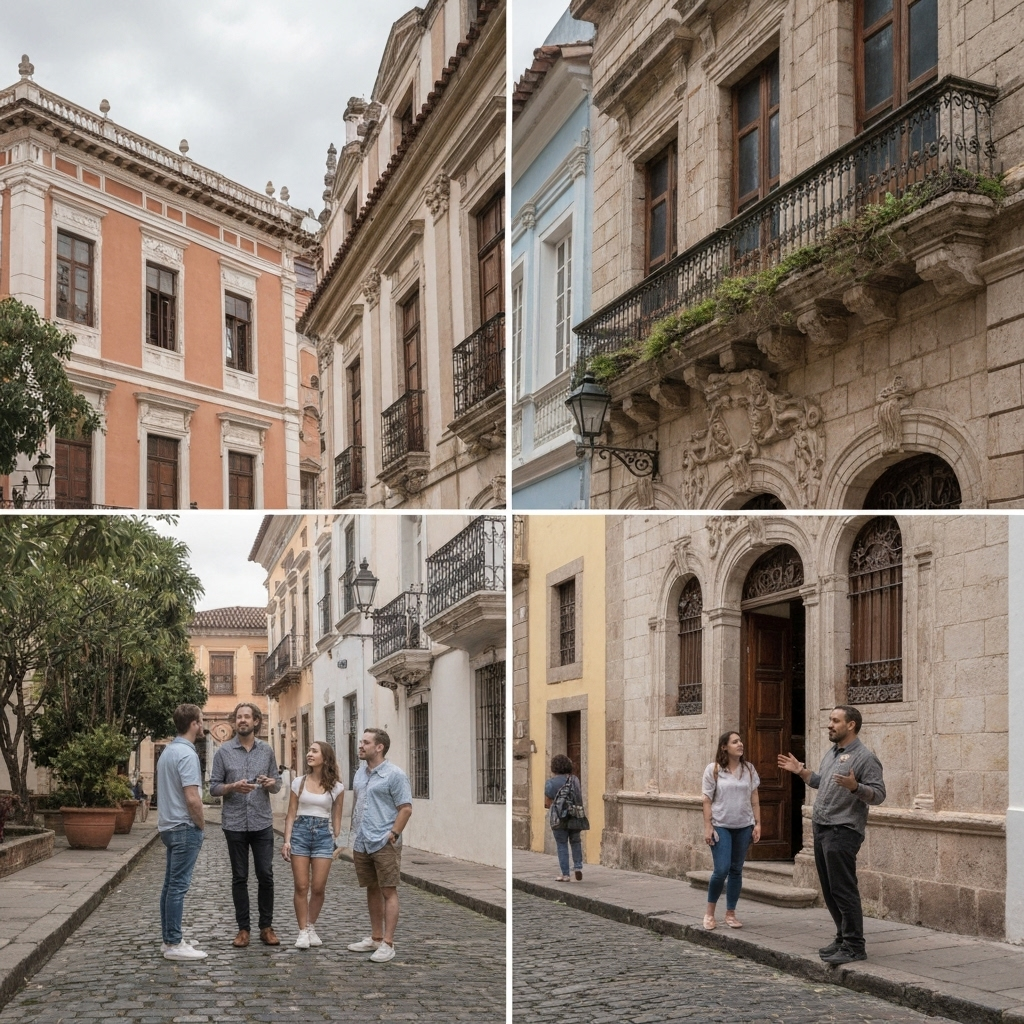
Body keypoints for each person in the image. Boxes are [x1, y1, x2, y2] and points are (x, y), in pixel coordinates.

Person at [779, 705, 886, 965]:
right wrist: (801, 771)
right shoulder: (832, 753)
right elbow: (821, 781)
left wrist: (856, 787)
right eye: (830, 720)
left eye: (835, 720)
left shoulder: (864, 757)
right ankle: (842, 938)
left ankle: (854, 945)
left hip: (843, 830)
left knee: (843, 889)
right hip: (822, 827)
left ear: (851, 725)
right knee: (829, 890)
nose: (829, 724)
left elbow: (879, 794)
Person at [209, 702, 282, 948]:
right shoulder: (223, 752)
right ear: (234, 722)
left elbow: (277, 784)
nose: (242, 721)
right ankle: (243, 929)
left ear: (256, 721)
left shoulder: (267, 751)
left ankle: (266, 927)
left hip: (262, 822)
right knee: (239, 877)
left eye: (247, 717)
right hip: (234, 823)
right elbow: (213, 786)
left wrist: (270, 783)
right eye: (238, 717)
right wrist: (232, 787)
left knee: (266, 875)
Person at [345, 728, 412, 964]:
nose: (360, 746)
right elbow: (357, 805)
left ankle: (388, 943)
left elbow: (406, 807)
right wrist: (350, 836)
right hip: (362, 840)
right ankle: (375, 937)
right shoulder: (360, 774)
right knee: (371, 888)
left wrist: (393, 833)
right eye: (361, 742)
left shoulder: (395, 775)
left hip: (384, 840)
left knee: (388, 890)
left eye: (365, 742)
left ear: (379, 747)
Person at [282, 741, 344, 949]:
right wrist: (286, 840)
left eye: (314, 751)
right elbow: (290, 815)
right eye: (308, 750)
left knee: (318, 887)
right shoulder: (298, 782)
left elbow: (337, 819)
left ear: (325, 758)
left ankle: (311, 926)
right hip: (300, 833)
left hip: (323, 837)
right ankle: (302, 932)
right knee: (301, 886)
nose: (309, 754)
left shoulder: (337, 787)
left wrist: (341, 843)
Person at [157, 704, 207, 961]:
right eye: (202, 720)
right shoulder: (187, 755)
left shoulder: (168, 751)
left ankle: (169, 939)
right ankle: (174, 943)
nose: (203, 725)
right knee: (177, 886)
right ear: (194, 724)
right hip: (183, 826)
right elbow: (192, 797)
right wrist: (201, 824)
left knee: (169, 886)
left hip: (168, 826)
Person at [701, 731, 761, 930]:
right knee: (721, 870)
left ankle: (730, 913)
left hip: (744, 826)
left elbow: (754, 798)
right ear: (724, 747)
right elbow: (706, 800)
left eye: (740, 740)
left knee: (736, 870)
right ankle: (710, 914)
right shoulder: (714, 770)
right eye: (735, 741)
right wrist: (708, 827)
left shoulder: (749, 769)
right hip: (721, 826)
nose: (740, 744)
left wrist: (758, 823)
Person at [544, 754, 584, 882]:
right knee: (576, 842)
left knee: (562, 844)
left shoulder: (550, 783)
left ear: (554, 767)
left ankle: (565, 874)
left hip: (558, 818)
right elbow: (579, 796)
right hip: (575, 815)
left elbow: (547, 803)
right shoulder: (575, 780)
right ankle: (578, 867)